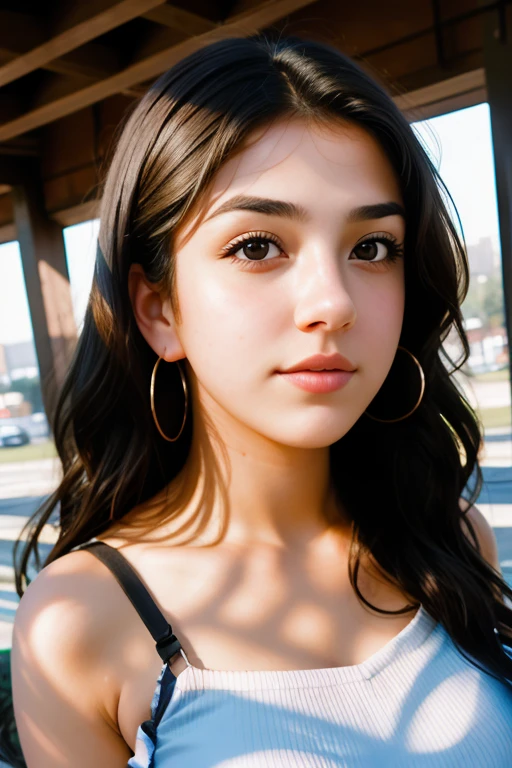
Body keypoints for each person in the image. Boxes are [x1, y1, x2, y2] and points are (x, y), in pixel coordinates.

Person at [6, 33, 512, 768]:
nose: (332, 304)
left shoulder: (449, 538)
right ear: (159, 309)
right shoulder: (84, 619)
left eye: (372, 247)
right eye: (256, 246)